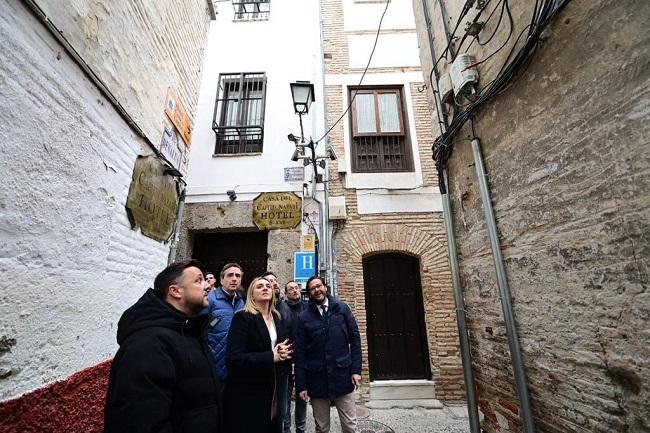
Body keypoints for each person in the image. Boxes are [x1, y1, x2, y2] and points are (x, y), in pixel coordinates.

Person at [104, 260, 222, 433]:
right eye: (198, 280)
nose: (207, 286)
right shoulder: (147, 344)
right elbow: (140, 422)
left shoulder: (190, 331)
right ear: (175, 291)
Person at [224, 277, 293, 433]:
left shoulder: (276, 317)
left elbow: (277, 347)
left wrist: (282, 352)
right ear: (251, 295)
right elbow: (233, 359)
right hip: (249, 391)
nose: (265, 288)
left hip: (274, 388)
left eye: (268, 286)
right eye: (259, 286)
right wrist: (271, 356)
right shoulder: (243, 317)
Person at [295, 276, 362, 433]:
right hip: (317, 379)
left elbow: (355, 339)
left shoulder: (342, 308)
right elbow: (300, 353)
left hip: (342, 376)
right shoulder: (304, 317)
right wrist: (301, 385)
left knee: (350, 425)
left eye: (319, 286)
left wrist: (356, 371)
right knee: (322, 427)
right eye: (312, 288)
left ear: (325, 287)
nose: (317, 290)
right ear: (309, 293)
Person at [262, 271, 292, 432]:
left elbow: (291, 335)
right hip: (265, 365)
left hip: (284, 365)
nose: (274, 283)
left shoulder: (285, 306)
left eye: (275, 280)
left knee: (283, 406)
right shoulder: (261, 311)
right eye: (268, 282)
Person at [206, 263, 245, 381]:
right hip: (213, 364)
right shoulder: (209, 300)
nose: (234, 279)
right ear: (222, 280)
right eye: (230, 275)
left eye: (238, 276)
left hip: (235, 365)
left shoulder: (241, 303)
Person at [282, 281, 308, 433]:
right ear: (286, 293)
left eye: (296, 288)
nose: (294, 290)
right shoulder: (281, 307)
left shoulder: (307, 307)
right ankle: (286, 429)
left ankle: (301, 429)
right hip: (286, 360)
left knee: (302, 396)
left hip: (303, 360)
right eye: (290, 289)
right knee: (285, 399)